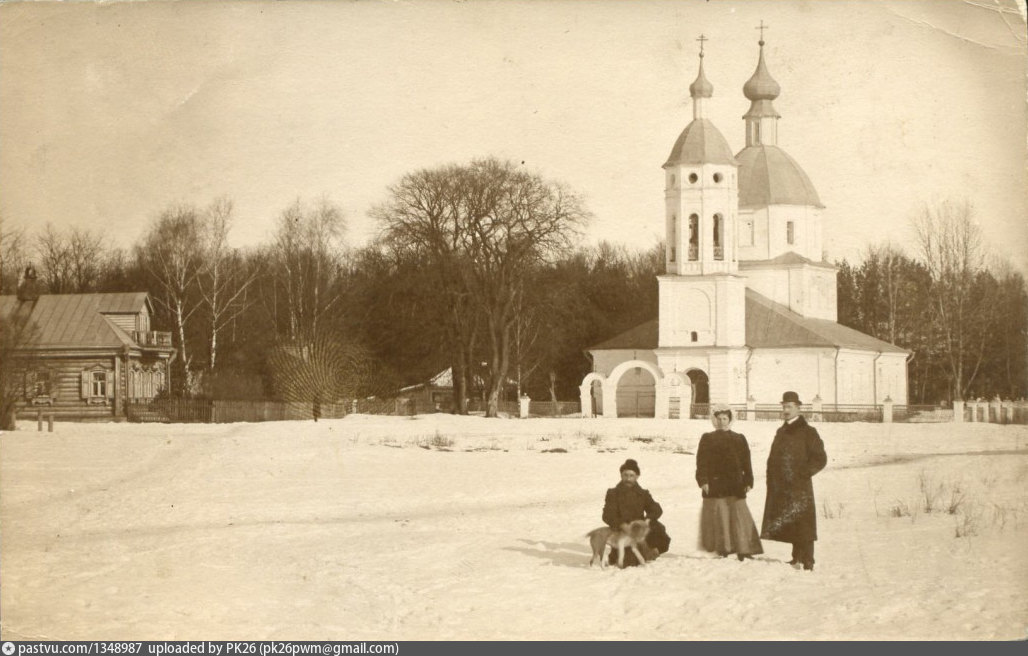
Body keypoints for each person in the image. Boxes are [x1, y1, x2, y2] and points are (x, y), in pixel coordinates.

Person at [760, 391, 828, 571]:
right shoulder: (781, 431)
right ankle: (796, 557)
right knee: (791, 519)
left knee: (804, 522)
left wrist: (803, 474)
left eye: (789, 407)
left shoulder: (808, 431)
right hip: (782, 485)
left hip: (800, 485)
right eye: (784, 406)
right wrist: (772, 479)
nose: (786, 410)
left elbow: (820, 458)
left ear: (799, 408)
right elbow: (773, 457)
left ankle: (808, 560)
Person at [695, 404, 763, 561]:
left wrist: (749, 481)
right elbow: (701, 462)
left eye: (725, 418)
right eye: (718, 419)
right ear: (714, 420)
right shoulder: (707, 438)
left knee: (739, 515)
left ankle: (744, 550)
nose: (722, 422)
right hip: (715, 482)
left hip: (736, 483)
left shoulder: (739, 438)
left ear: (730, 420)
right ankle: (724, 549)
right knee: (721, 515)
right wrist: (703, 480)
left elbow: (747, 462)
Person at [601, 459, 671, 567]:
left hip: (638, 530)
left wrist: (648, 519)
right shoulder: (613, 493)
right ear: (621, 475)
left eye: (631, 475)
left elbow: (656, 509)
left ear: (637, 476)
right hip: (621, 531)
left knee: (657, 527)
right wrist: (621, 524)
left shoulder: (642, 494)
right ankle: (617, 555)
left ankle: (649, 551)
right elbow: (607, 515)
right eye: (625, 475)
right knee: (629, 563)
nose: (628, 479)